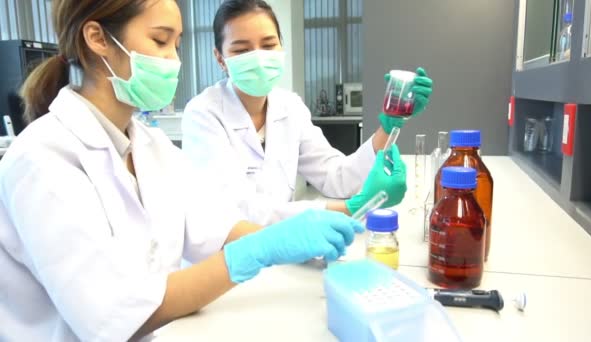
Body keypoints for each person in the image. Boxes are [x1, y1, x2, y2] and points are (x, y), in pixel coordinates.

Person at [0, 1, 363, 340]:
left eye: (177, 43)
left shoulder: (152, 146)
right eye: (160, 40)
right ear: (97, 38)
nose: (173, 60)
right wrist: (261, 249)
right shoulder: (43, 160)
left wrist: (293, 238)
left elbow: (213, 228)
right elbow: (114, 315)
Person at [182, 0, 434, 225]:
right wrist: (351, 209)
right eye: (241, 50)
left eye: (268, 44)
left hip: (280, 250)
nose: (258, 58)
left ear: (281, 46)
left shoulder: (289, 106)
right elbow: (239, 212)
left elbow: (336, 177)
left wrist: (389, 126)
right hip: (225, 262)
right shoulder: (203, 114)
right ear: (220, 58)